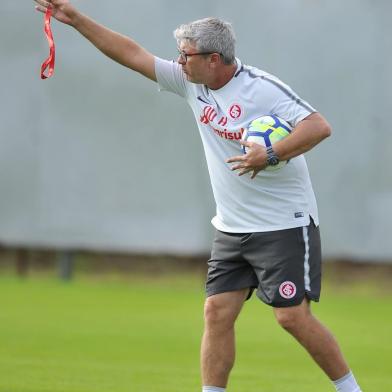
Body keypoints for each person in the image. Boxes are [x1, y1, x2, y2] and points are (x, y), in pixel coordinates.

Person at [34, 1, 362, 391]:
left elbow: (319, 126)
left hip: (282, 224)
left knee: (291, 317)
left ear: (214, 59)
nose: (179, 62)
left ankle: (350, 389)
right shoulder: (193, 83)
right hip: (231, 226)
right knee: (216, 312)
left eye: (186, 55)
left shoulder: (263, 89)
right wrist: (77, 21)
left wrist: (270, 153)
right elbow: (131, 54)